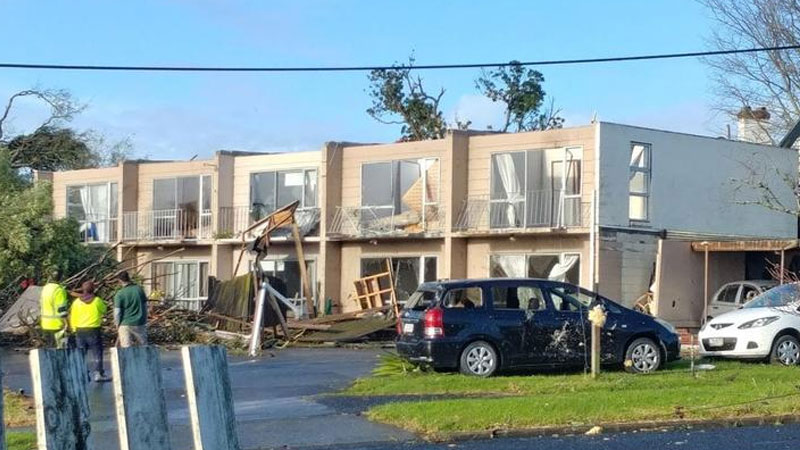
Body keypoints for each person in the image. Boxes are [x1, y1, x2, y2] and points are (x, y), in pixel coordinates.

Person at [70, 281, 110, 382]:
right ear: (93, 290)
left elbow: (73, 316)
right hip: (93, 330)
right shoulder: (97, 301)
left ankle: (82, 373)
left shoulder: (76, 302)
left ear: (83, 290)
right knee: (97, 352)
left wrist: (74, 329)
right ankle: (98, 373)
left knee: (81, 353)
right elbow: (104, 310)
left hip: (80, 330)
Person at [114, 271, 148, 347]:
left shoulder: (120, 294)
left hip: (125, 323)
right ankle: (143, 355)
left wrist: (117, 323)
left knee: (126, 347)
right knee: (143, 346)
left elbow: (117, 312)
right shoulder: (139, 290)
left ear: (119, 281)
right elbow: (145, 306)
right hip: (139, 322)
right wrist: (145, 319)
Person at [40, 270, 69, 348]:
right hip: (57, 324)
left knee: (49, 348)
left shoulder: (45, 289)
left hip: (45, 323)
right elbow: (62, 309)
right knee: (60, 349)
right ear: (61, 278)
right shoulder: (59, 290)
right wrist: (66, 323)